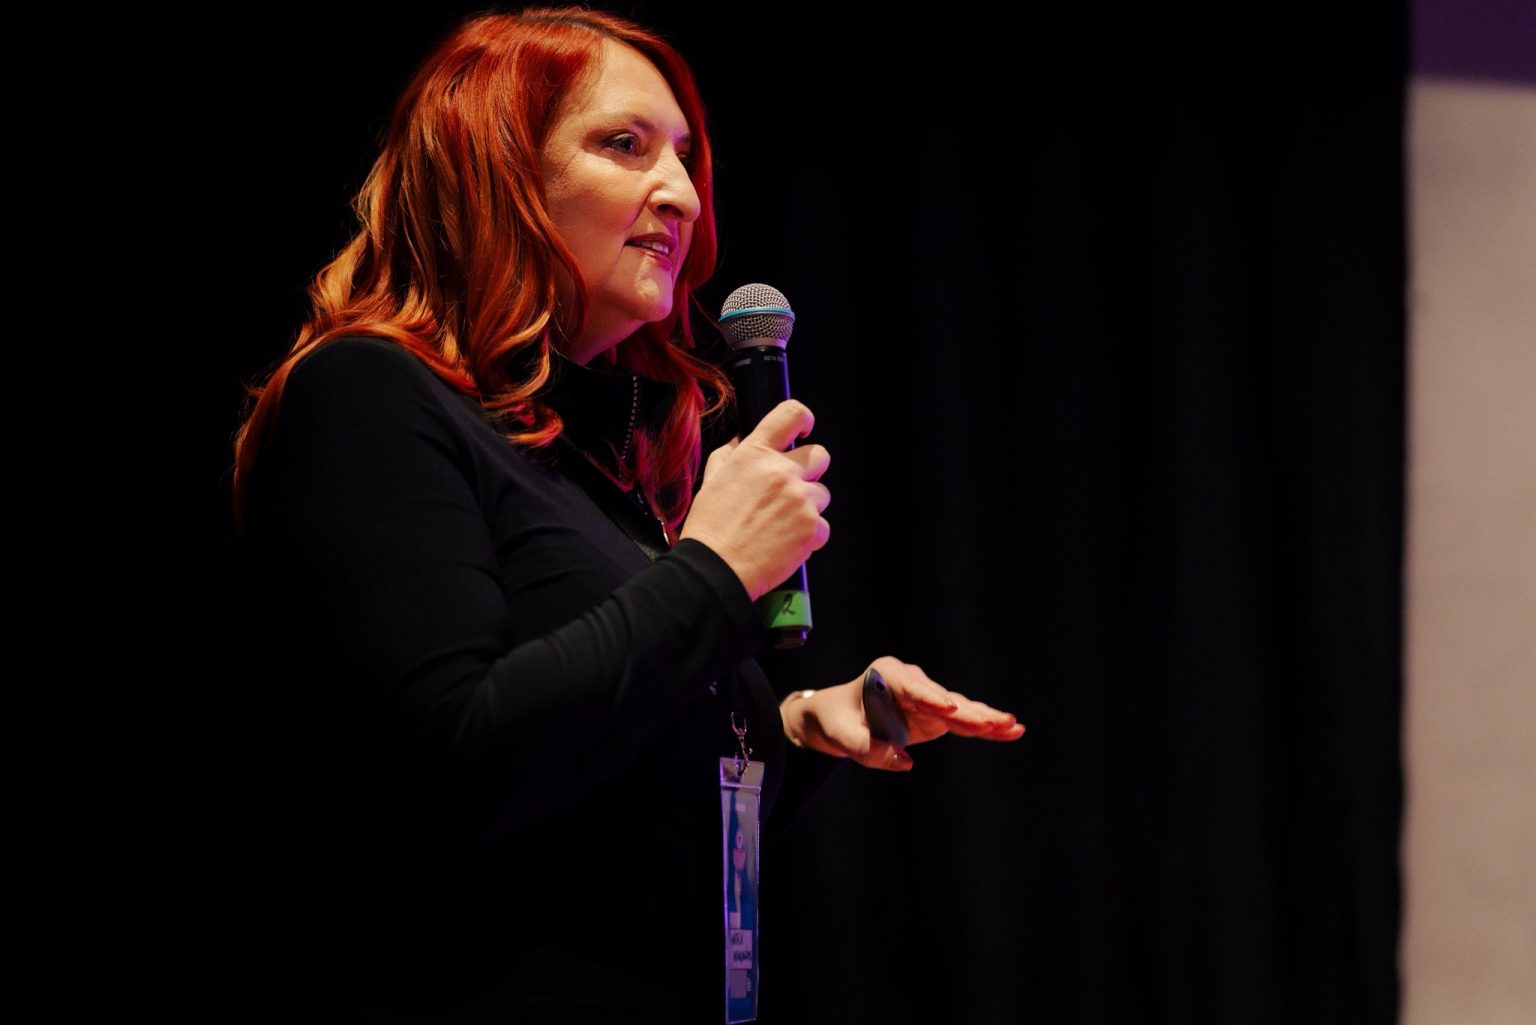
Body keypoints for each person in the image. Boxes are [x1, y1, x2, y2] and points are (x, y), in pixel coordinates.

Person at [227, 6, 1024, 1023]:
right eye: (625, 144)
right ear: (496, 173)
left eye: (685, 156)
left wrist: (800, 723)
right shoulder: (365, 395)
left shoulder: (599, 468)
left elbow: (603, 792)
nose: (682, 192)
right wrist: (714, 572)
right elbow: (447, 762)